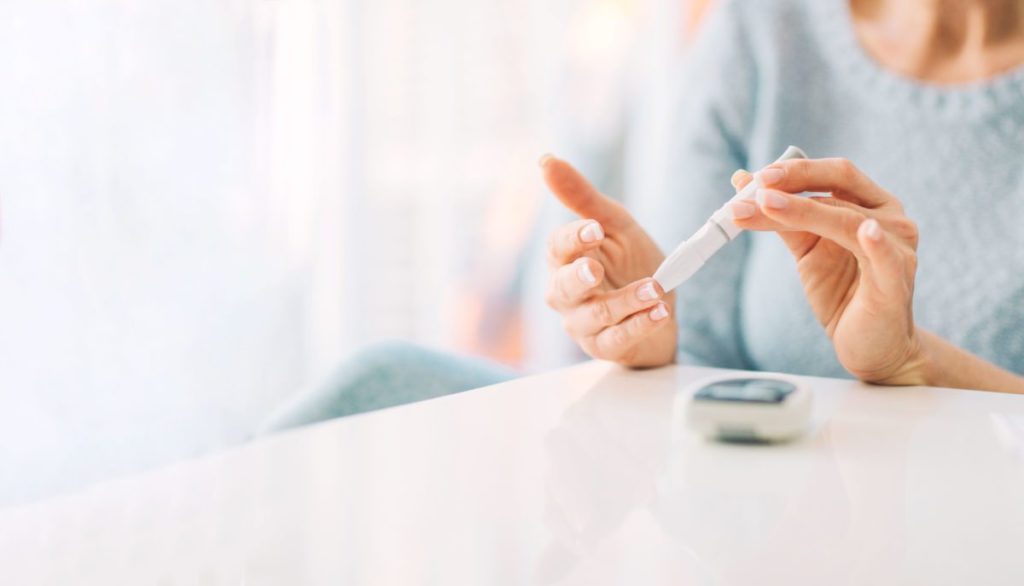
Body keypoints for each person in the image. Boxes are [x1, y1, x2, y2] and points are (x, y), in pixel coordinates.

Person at [264, 0, 1024, 432]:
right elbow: (697, 371)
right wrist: (650, 339)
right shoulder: (766, 28)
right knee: (373, 388)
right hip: (744, 510)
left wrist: (915, 366)